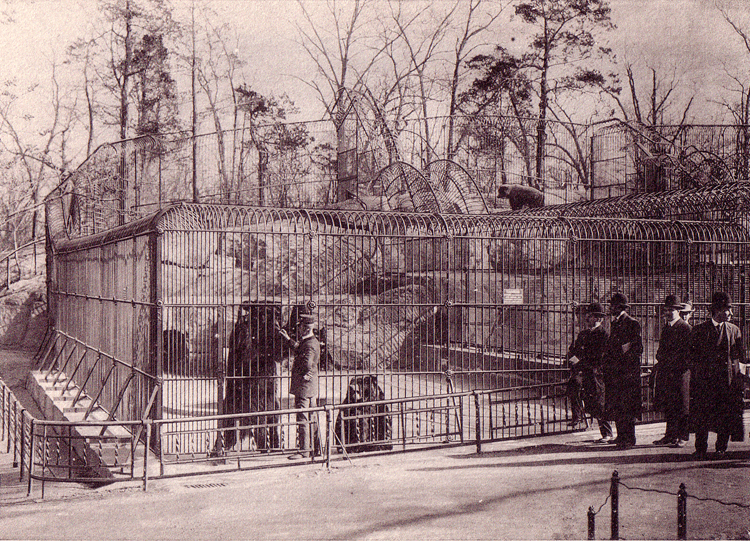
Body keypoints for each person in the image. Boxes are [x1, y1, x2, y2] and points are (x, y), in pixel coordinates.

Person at [689, 292, 747, 459]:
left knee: (724, 416)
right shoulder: (699, 331)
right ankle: (700, 448)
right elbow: (692, 357)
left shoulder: (734, 330)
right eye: (727, 309)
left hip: (727, 383)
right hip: (705, 383)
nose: (730, 313)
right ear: (716, 310)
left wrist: (739, 379)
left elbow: (740, 358)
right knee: (702, 417)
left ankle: (721, 447)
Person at [565, 302, 614, 443]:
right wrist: (573, 359)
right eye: (593, 316)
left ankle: (607, 433)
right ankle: (577, 417)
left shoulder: (604, 335)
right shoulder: (583, 334)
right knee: (573, 386)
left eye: (598, 317)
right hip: (581, 371)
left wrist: (580, 362)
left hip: (595, 373)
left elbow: (599, 357)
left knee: (599, 403)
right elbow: (573, 350)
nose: (595, 319)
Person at [603, 293, 643, 449]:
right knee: (618, 406)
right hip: (616, 373)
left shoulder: (632, 323)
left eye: (612, 305)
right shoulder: (615, 322)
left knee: (627, 407)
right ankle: (621, 436)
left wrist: (622, 353)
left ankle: (629, 439)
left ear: (619, 307)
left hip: (627, 373)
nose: (610, 308)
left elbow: (637, 348)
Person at [277, 312, 320, 460]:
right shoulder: (310, 341)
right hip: (310, 386)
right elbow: (299, 349)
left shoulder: (309, 345)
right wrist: (288, 339)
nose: (299, 329)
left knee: (303, 418)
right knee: (312, 417)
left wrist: (305, 372)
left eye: (300, 326)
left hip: (304, 387)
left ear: (305, 328)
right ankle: (316, 448)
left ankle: (304, 451)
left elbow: (307, 363)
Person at [651, 295, 692, 448]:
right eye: (666, 310)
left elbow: (689, 354)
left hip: (680, 373)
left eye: (671, 310)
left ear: (678, 311)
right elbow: (661, 351)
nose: (667, 313)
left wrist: (675, 363)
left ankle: (683, 436)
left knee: (682, 405)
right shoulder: (667, 328)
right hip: (667, 372)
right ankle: (670, 435)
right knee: (669, 405)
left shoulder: (685, 328)